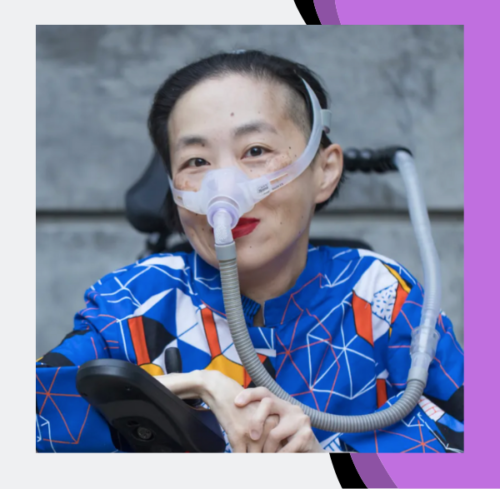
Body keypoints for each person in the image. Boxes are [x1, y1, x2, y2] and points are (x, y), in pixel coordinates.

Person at [36, 50, 464, 453]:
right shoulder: (131, 300)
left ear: (325, 170)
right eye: (196, 162)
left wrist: (326, 463)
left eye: (256, 151)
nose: (226, 188)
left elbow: (472, 444)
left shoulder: (382, 295)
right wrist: (186, 387)